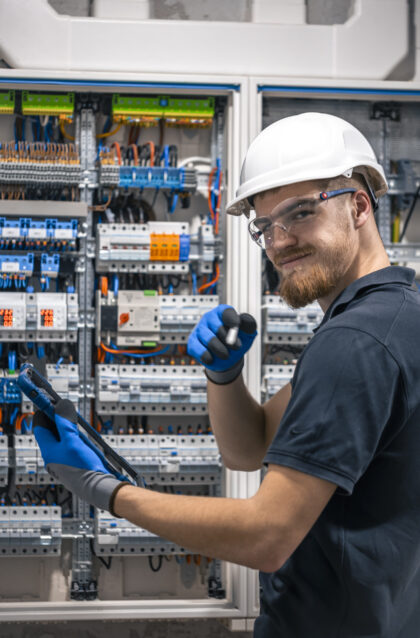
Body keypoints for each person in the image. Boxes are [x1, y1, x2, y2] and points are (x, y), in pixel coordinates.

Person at [34, 112, 420, 637]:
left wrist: (106, 492)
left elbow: (266, 536)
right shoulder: (393, 317)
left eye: (301, 213)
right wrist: (225, 377)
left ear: (358, 205)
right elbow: (250, 448)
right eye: (265, 226)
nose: (280, 242)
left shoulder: (355, 343)